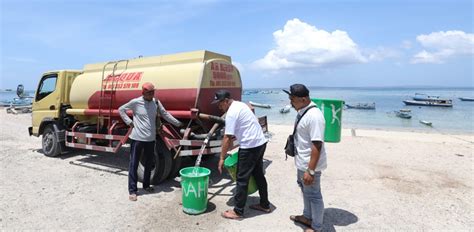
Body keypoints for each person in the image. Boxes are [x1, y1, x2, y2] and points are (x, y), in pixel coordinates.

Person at [118, 82, 183, 201]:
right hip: (137, 139)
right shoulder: (136, 102)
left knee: (148, 163)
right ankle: (132, 191)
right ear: (143, 93)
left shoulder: (156, 102)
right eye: (149, 93)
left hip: (150, 139)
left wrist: (177, 123)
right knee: (134, 164)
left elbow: (165, 114)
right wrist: (129, 122)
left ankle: (146, 185)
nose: (152, 95)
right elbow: (121, 109)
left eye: (153, 92)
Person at [213, 89, 271, 219]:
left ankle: (238, 211)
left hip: (250, 146)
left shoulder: (231, 113)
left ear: (226, 101)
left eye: (220, 103)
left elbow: (227, 137)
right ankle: (265, 205)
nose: (219, 106)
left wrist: (222, 158)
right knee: (258, 174)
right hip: (260, 142)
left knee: (241, 179)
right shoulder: (241, 104)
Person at [283, 84, 327, 232]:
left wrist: (311, 171)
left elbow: (317, 144)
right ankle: (307, 217)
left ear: (303, 99)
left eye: (292, 99)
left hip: (310, 165)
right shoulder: (303, 111)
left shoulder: (314, 116)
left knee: (314, 195)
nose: (290, 102)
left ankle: (317, 227)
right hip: (302, 163)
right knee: (305, 190)